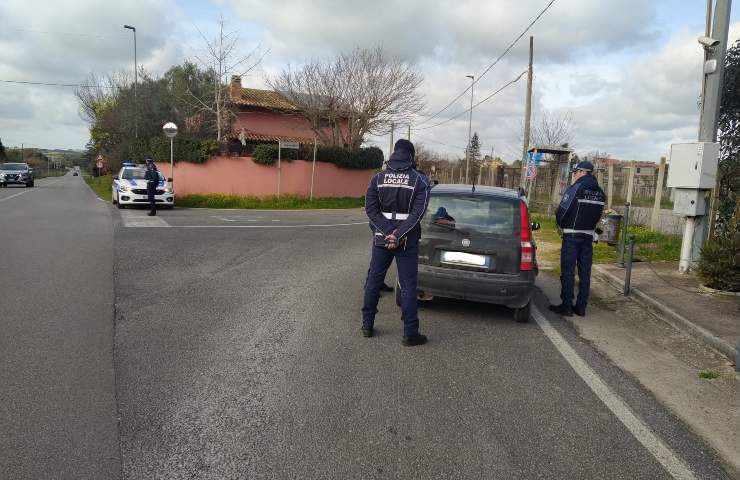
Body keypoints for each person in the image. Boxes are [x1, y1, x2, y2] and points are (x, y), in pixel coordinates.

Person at [362, 139, 430, 346]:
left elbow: (370, 210)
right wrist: (398, 234)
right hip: (407, 240)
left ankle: (367, 325)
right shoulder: (420, 180)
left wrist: (388, 232)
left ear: (394, 154)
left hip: (382, 239)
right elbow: (418, 213)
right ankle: (410, 333)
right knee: (408, 286)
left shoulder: (377, 178)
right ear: (412, 156)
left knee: (374, 281)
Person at [549, 161, 606, 317]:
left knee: (568, 271)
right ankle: (581, 307)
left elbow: (563, 210)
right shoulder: (601, 192)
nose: (574, 175)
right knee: (585, 273)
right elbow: (598, 215)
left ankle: (567, 306)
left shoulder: (576, 188)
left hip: (571, 235)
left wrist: (560, 224)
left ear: (582, 172)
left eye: (575, 172)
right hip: (588, 236)